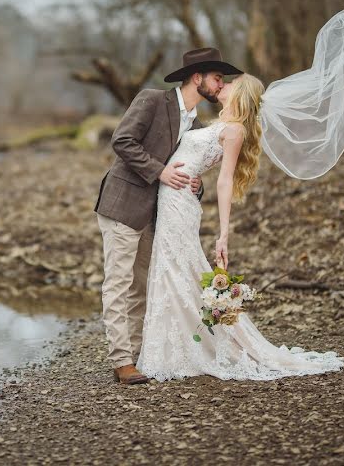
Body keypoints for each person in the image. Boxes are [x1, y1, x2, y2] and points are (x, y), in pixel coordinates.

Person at [136, 9, 344, 381]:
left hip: (180, 203)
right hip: (172, 197)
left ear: (241, 94)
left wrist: (223, 234)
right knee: (173, 271)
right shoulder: (218, 123)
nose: (224, 85)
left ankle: (202, 347)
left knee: (177, 270)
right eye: (221, 80)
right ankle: (177, 347)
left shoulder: (233, 131)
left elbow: (225, 181)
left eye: (229, 83)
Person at [94, 47, 242, 385]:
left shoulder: (198, 124)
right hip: (122, 203)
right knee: (118, 282)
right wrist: (160, 171)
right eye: (217, 77)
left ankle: (135, 354)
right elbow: (123, 141)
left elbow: (192, 170)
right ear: (197, 78)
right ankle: (121, 362)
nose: (220, 84)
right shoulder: (151, 100)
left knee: (143, 284)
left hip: (159, 214)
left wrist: (195, 184)